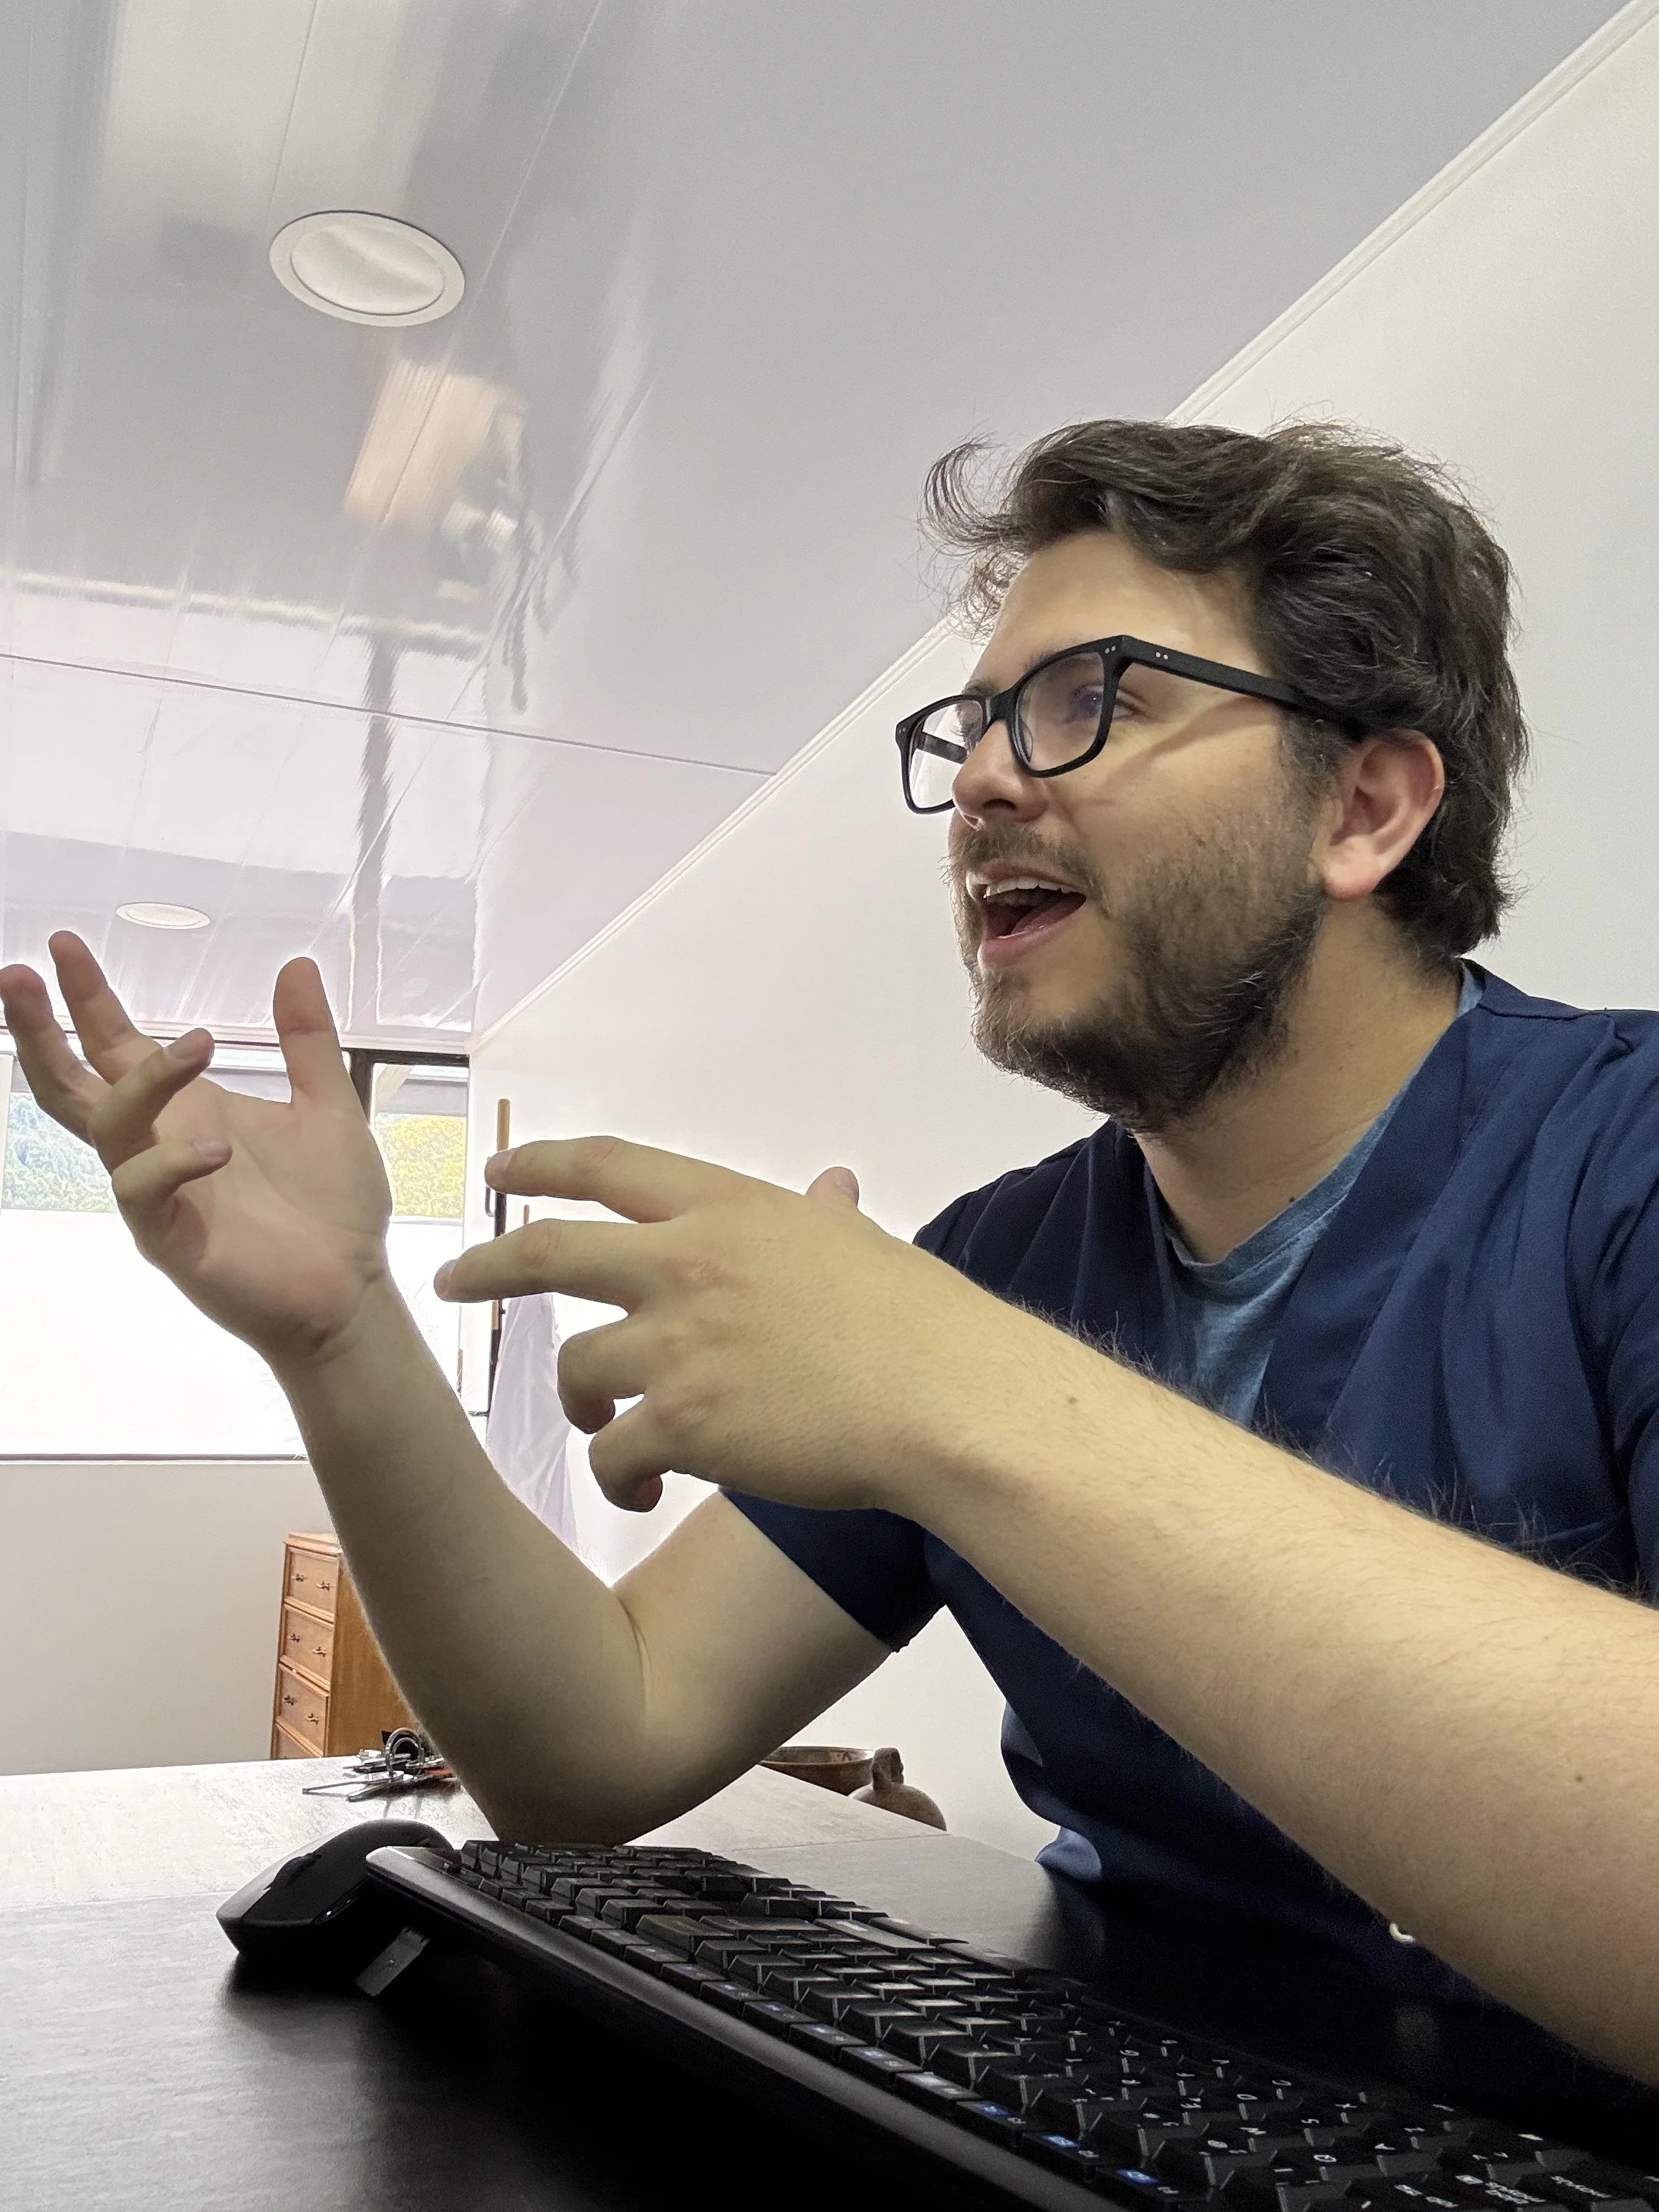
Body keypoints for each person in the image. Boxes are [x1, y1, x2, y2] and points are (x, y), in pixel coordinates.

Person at [8, 419, 1659, 2092]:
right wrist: (342, 1329)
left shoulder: (1621, 1163)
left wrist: (952, 1392)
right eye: (977, 727)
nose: (989, 783)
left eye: (1095, 698)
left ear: (1365, 807)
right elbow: (597, 1740)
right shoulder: (995, 1268)